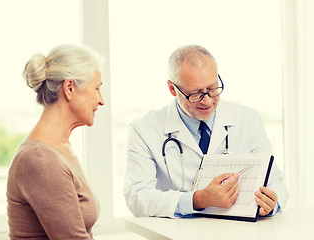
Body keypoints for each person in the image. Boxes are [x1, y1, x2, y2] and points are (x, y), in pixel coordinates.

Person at [123, 44, 289, 218]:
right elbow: (137, 197)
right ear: (172, 89)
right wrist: (197, 200)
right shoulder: (144, 129)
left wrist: (272, 203)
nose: (208, 101)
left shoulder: (248, 119)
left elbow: (275, 182)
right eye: (195, 94)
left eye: (212, 89)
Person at [7, 44, 105, 239]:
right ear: (69, 88)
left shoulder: (59, 150)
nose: (101, 100)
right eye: (97, 88)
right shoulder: (40, 159)